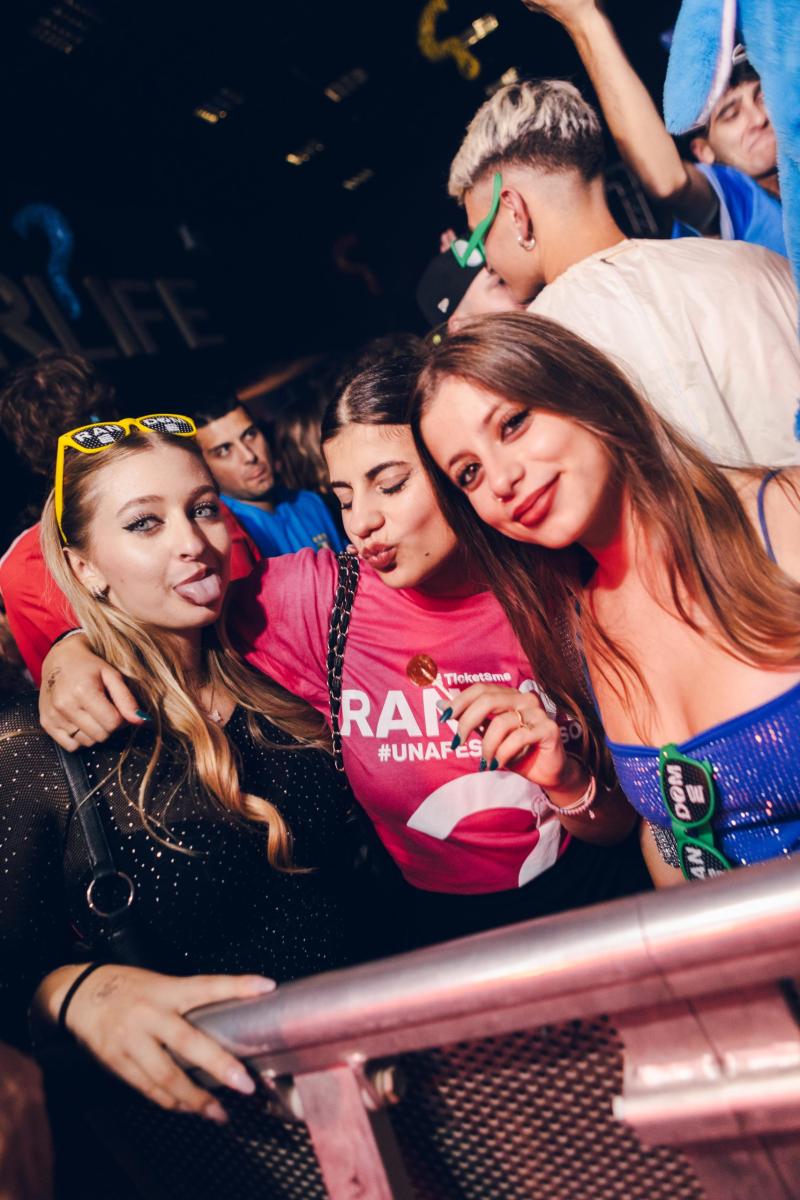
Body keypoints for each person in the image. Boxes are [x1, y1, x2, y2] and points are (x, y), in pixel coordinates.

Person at [23, 360, 649, 947]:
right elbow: (172, 603)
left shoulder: (563, 586)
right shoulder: (320, 597)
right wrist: (71, 647)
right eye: (344, 498)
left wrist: (567, 781)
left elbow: (627, 824)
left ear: (454, 470)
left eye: (391, 485)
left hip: (603, 916)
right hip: (442, 945)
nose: (361, 523)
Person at [0, 417, 375, 1122]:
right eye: (145, 523)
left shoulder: (277, 668)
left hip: (383, 1063)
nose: (193, 542)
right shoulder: (43, 742)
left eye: (202, 509)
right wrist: (78, 995)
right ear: (85, 568)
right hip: (222, 1134)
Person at [411, 311, 800, 887]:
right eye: (468, 473)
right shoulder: (583, 624)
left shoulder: (783, 515)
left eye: (513, 423)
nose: (501, 480)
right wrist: (564, 780)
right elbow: (665, 836)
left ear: (586, 391)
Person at [446, 77, 800, 467]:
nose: (487, 260)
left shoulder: (545, 350)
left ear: (515, 211)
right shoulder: (751, 264)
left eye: (479, 237)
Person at [523, 2, 784, 254]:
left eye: (761, 97)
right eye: (731, 115)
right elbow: (668, 182)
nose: (758, 119)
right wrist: (585, 20)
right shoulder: (735, 196)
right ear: (703, 151)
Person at [190, 394, 345, 557]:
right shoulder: (223, 534)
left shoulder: (310, 503)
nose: (249, 456)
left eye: (250, 434)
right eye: (224, 450)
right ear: (204, 467)